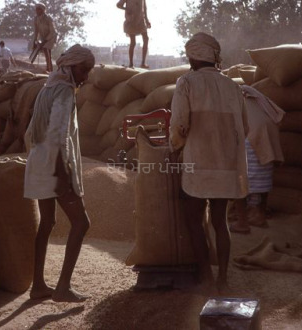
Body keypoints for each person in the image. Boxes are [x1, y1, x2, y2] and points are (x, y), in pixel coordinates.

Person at [169, 32, 249, 293]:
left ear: (192, 58)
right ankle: (223, 277)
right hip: (226, 166)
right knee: (220, 222)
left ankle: (205, 276)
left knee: (194, 220)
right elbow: (245, 127)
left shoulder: (186, 82)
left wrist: (175, 148)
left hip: (198, 163)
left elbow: (180, 124)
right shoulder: (233, 86)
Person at [24, 44, 95, 302]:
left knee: (47, 223)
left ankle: (38, 285)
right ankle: (63, 287)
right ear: (71, 66)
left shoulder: (48, 87)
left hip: (39, 162)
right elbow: (58, 135)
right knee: (81, 222)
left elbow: (30, 132)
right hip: (55, 167)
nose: (86, 76)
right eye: (83, 70)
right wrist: (62, 176)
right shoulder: (64, 91)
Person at [228, 85, 285, 233]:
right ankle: (259, 214)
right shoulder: (253, 97)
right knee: (261, 178)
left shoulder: (231, 99)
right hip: (267, 138)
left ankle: (242, 223)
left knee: (239, 180)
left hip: (251, 139)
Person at [116, 0, 151, 68]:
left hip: (141, 21)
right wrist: (127, 9)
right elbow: (118, 5)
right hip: (131, 20)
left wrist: (147, 20)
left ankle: (143, 63)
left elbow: (144, 8)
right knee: (133, 42)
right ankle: (131, 64)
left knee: (146, 39)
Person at [32, 2, 58, 72]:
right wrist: (35, 41)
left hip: (51, 37)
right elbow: (36, 31)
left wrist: (45, 40)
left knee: (46, 49)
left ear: (43, 10)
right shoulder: (36, 19)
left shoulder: (48, 18)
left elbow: (53, 31)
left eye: (39, 9)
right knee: (44, 51)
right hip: (43, 37)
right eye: (36, 9)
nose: (37, 11)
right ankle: (49, 67)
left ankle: (49, 69)